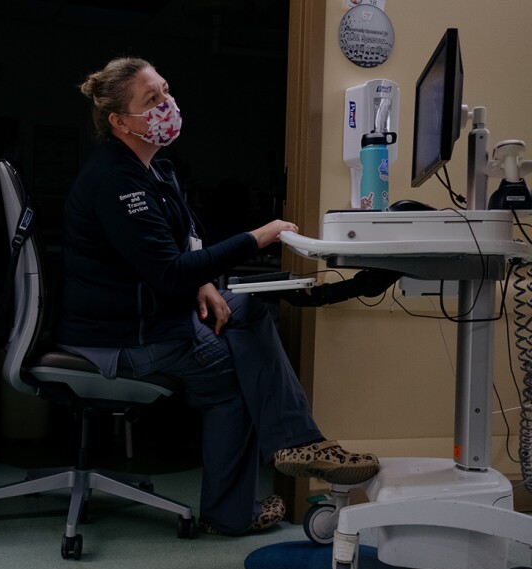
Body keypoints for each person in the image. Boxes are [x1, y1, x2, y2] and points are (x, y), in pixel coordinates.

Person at [56, 56, 379, 537]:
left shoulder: (155, 172)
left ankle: (295, 447)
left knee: (249, 308)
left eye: (165, 90)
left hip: (150, 320)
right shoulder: (114, 181)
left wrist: (204, 282)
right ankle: (255, 489)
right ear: (120, 122)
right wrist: (256, 238)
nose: (167, 103)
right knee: (236, 377)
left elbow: (186, 237)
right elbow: (167, 273)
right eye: (152, 100)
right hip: (118, 337)